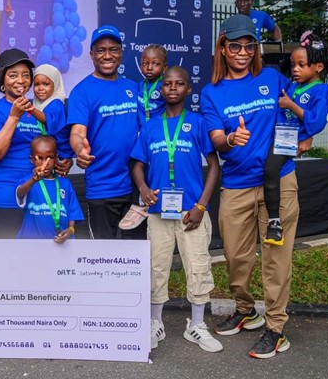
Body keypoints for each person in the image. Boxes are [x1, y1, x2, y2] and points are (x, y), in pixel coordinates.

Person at [200, 14, 298, 359]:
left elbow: (302, 108)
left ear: (255, 48)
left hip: (279, 182)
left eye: (249, 45)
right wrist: (229, 137)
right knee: (235, 257)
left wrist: (307, 134)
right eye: (235, 46)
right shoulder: (211, 93)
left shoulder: (271, 79)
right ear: (223, 49)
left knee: (275, 258)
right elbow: (215, 139)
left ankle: (276, 327)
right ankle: (246, 310)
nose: (242, 52)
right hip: (238, 185)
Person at [131, 66, 222, 353]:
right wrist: (143, 189)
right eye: (167, 84)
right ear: (161, 90)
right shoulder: (150, 126)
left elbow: (214, 166)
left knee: (197, 266)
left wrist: (201, 205)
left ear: (188, 89)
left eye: (179, 83)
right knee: (157, 267)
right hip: (158, 213)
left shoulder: (196, 123)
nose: (172, 88)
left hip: (191, 213)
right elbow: (136, 164)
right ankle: (154, 323)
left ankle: (196, 325)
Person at [262, 31, 328, 245]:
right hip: (278, 135)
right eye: (293, 64)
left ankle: (274, 222)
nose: (295, 69)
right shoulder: (295, 85)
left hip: (289, 142)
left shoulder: (321, 91)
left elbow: (316, 122)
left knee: (270, 170)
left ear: (318, 67)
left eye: (301, 65)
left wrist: (292, 106)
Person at [68, 25, 140, 239]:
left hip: (136, 187)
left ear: (121, 53)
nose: (107, 55)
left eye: (113, 49)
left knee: (134, 255)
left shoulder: (134, 88)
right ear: (91, 54)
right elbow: (77, 132)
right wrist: (80, 149)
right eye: (100, 50)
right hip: (102, 188)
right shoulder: (82, 91)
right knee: (102, 258)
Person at [0, 48, 38, 237]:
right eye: (13, 75)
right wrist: (14, 116)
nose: (20, 80)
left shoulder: (38, 113)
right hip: (4, 192)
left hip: (38, 193)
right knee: (8, 256)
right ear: (2, 82)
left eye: (25, 75)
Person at [119, 44, 168, 230]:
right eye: (145, 63)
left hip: (159, 135)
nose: (149, 67)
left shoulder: (165, 86)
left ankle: (155, 202)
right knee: (136, 166)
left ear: (164, 67)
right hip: (142, 137)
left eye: (155, 64)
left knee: (156, 168)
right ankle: (139, 205)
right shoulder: (139, 87)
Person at [16, 135, 83, 241]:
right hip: (31, 244)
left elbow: (73, 213)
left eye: (50, 158)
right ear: (31, 159)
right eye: (40, 158)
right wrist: (34, 180)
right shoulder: (27, 182)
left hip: (61, 244)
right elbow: (20, 193)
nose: (45, 163)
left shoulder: (65, 184)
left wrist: (70, 230)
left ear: (56, 158)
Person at [31, 64, 74, 176]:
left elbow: (47, 119)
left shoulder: (56, 104)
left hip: (60, 155)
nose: (40, 88)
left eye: (46, 84)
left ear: (55, 85)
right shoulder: (40, 104)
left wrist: (30, 110)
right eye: (36, 84)